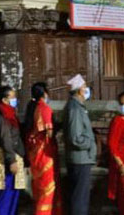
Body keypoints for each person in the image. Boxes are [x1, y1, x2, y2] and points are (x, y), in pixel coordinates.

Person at [24, 82, 61, 215]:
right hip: (45, 153)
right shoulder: (44, 108)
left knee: (39, 189)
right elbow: (49, 133)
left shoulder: (32, 108)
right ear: (45, 93)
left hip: (35, 153)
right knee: (47, 190)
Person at [65, 74, 96, 215]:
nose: (86, 89)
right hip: (80, 158)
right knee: (80, 198)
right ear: (79, 91)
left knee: (79, 196)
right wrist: (90, 143)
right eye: (84, 87)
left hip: (81, 158)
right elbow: (75, 138)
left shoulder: (78, 106)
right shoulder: (75, 109)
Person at [0, 85, 26, 215]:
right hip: (7, 159)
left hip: (15, 156)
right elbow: (6, 139)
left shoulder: (11, 114)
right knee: (6, 194)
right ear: (4, 100)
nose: (14, 100)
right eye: (12, 97)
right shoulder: (2, 117)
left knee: (13, 194)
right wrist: (11, 160)